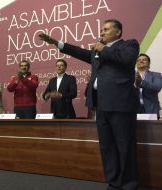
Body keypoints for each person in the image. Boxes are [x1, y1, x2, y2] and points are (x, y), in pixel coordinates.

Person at [39, 19, 139, 190]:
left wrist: (104, 49)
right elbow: (78, 51)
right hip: (100, 104)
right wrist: (56, 43)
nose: (102, 32)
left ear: (118, 32)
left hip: (120, 104)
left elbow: (127, 60)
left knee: (125, 146)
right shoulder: (97, 52)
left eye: (106, 29)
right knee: (107, 146)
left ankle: (128, 185)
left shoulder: (129, 45)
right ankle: (113, 182)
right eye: (101, 29)